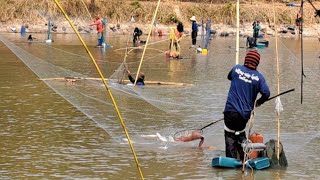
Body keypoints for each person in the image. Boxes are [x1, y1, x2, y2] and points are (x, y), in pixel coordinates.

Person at [223, 50, 270, 161]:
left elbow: (229, 77)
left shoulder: (236, 69)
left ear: (246, 59)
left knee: (230, 135)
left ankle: (231, 161)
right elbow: (266, 93)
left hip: (230, 111)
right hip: (244, 115)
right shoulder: (259, 78)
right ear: (257, 63)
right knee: (240, 133)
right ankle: (244, 159)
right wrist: (259, 102)